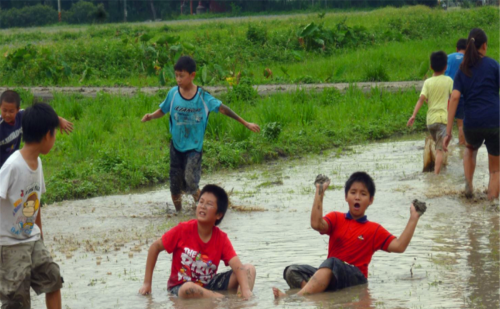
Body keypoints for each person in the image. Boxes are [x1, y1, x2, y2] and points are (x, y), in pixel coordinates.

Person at [272, 172, 422, 298]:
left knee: (332, 262)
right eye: (353, 192)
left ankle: (297, 298)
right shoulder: (336, 218)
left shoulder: (374, 229)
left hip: (355, 278)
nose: (357, 197)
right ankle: (313, 293)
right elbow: (316, 224)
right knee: (291, 271)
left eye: (363, 194)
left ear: (370, 200)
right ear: (346, 197)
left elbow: (399, 246)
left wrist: (413, 218)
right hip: (331, 273)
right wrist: (320, 192)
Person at [141, 56, 260, 212]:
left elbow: (223, 109)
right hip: (176, 147)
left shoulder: (203, 96)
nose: (178, 79)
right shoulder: (173, 94)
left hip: (194, 148)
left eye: (181, 76)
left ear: (192, 75)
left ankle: (207, 210)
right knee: (175, 185)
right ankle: (178, 214)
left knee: (190, 181)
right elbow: (163, 110)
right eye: (176, 75)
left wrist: (245, 123)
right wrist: (151, 116)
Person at [138, 184, 256, 299]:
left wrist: (245, 289)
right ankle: (223, 299)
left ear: (219, 215)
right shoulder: (182, 230)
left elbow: (237, 266)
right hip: (179, 287)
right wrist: (147, 283)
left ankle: (240, 301)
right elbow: (155, 247)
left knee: (249, 269)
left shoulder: (221, 238)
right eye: (201, 202)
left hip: (208, 285)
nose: (203, 206)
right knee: (188, 288)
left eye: (209, 204)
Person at [0, 103, 63, 309]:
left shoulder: (37, 162)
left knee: (52, 277)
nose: (54, 140)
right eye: (54, 134)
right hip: (9, 244)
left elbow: (35, 203)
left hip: (32, 238)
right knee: (16, 300)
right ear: (47, 135)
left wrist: (40, 235)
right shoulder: (12, 166)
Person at [444, 28, 499, 200]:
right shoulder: (493, 65)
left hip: (472, 121)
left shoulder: (463, 69)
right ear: (484, 45)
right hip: (494, 120)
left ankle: (468, 185)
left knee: (469, 149)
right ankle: (491, 203)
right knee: (496, 169)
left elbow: (454, 98)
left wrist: (447, 131)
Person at [0, 90, 73, 168]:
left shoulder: (21, 116)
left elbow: (40, 116)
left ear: (17, 109)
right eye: (4, 110)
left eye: (11, 111)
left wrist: (59, 120)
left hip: (12, 162)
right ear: (0, 107)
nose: (7, 114)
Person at [407, 51, 453, 174]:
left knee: (438, 144)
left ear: (431, 67)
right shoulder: (448, 80)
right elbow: (453, 97)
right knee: (440, 150)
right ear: (446, 67)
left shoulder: (428, 82)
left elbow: (422, 99)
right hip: (442, 119)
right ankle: (436, 176)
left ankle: (436, 161)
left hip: (430, 122)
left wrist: (413, 115)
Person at [445, 38, 467, 145]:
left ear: (456, 48)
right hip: (463, 97)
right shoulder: (469, 59)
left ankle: (446, 148)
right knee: (461, 125)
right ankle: (462, 148)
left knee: (445, 124)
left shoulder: (448, 58)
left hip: (448, 97)